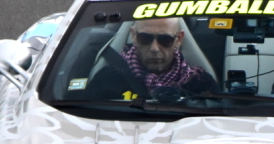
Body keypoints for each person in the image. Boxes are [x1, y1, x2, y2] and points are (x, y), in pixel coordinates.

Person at [88, 17, 218, 100]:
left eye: (165, 40)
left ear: (178, 39)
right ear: (134, 35)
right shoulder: (109, 78)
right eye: (145, 38)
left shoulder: (200, 83)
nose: (154, 48)